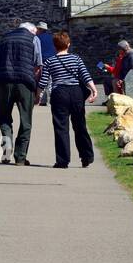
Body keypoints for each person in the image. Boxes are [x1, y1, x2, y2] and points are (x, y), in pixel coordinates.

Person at [39, 30, 98, 169]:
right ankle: (86, 156)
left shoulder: (50, 61)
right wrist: (94, 90)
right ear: (68, 44)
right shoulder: (76, 59)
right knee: (80, 125)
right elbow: (85, 75)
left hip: (59, 93)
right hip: (76, 92)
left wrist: (38, 96)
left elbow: (43, 82)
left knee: (61, 127)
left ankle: (62, 160)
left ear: (55, 46)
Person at [0, 21, 43, 166]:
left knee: (3, 116)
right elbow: (38, 65)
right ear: (32, 30)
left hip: (5, 81)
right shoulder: (34, 39)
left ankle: (7, 145)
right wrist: (36, 87)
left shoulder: (5, 38)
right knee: (26, 120)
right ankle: (20, 157)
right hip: (25, 83)